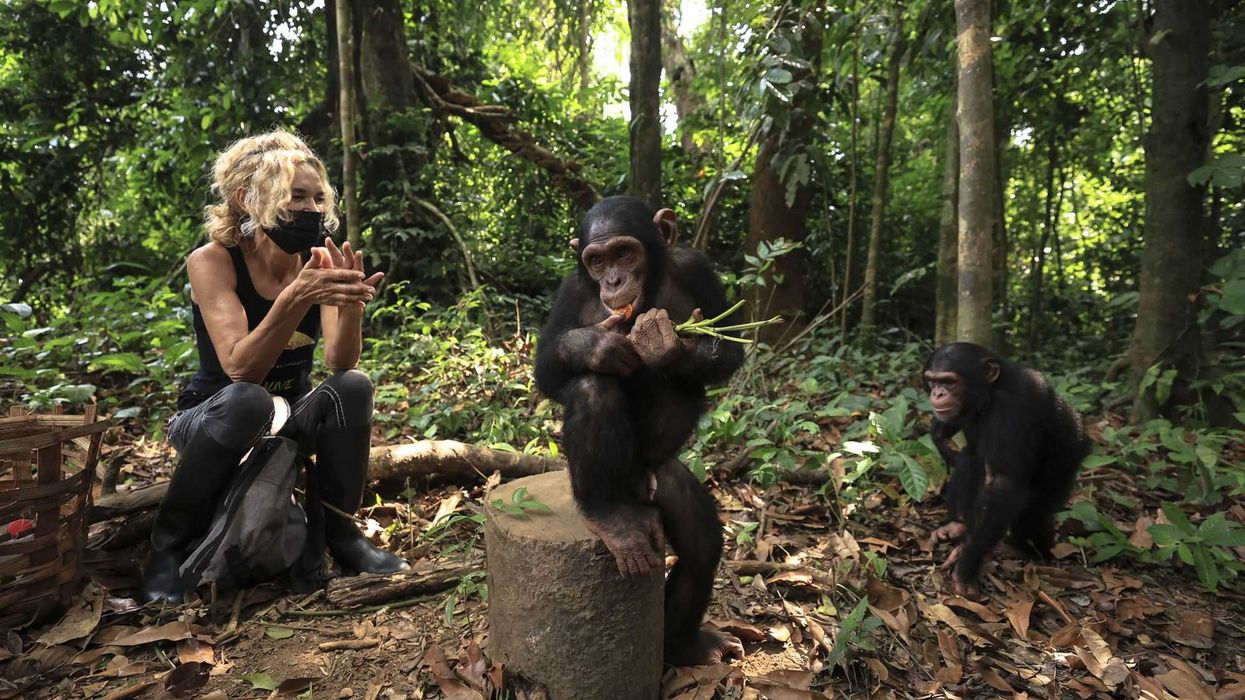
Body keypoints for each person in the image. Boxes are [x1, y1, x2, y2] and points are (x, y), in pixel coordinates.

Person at [140, 130, 408, 604]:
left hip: (287, 416)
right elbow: (240, 368)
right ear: (247, 200)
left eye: (316, 198)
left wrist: (349, 307)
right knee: (248, 399)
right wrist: (294, 298)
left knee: (354, 386)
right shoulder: (213, 261)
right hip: (214, 416)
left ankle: (344, 539)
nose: (309, 210)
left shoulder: (318, 258)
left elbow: (339, 362)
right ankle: (167, 552)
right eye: (293, 197)